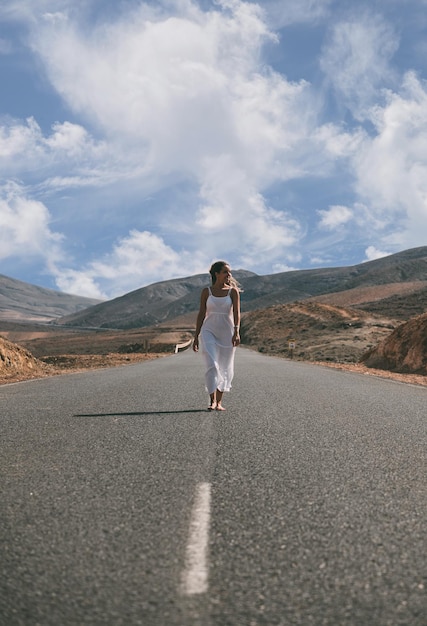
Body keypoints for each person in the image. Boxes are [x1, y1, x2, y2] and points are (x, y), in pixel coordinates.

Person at [193, 261, 241, 411]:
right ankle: (211, 400)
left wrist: (237, 331)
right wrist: (196, 335)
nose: (229, 275)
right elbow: (201, 313)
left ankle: (219, 402)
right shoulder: (206, 292)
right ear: (217, 274)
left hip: (227, 332)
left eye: (229, 272)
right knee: (212, 364)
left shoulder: (233, 292)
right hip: (209, 330)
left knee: (225, 366)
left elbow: (236, 313)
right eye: (226, 272)